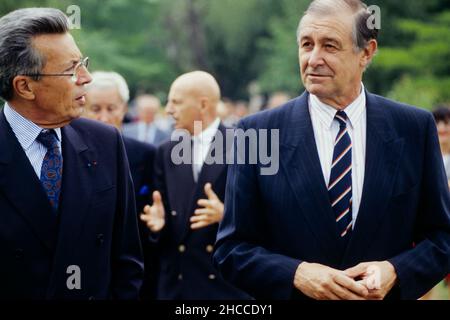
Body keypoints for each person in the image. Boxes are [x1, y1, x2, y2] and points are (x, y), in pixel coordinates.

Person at [213, 0, 450, 300]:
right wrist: (297, 274)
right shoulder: (256, 133)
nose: (313, 59)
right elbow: (231, 250)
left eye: (329, 46)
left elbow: (441, 239)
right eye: (307, 44)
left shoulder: (414, 128)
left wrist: (395, 270)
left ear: (366, 52)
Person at [0, 8, 143, 299]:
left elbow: (127, 261)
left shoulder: (106, 142)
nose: (86, 78)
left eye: (83, 64)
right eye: (71, 69)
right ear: (25, 86)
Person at [140, 71, 250, 299]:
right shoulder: (166, 151)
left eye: (176, 102)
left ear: (203, 104)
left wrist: (227, 216)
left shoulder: (243, 145)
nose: (168, 109)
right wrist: (158, 225)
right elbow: (167, 221)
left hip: (225, 287)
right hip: (177, 286)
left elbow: (269, 220)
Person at [83, 71, 157, 299]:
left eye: (111, 108)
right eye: (95, 109)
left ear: (124, 109)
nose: (104, 117)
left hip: (132, 275)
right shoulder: (63, 152)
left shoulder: (146, 155)